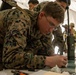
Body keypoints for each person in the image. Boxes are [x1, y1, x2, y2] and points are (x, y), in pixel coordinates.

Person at [0, 1, 67, 70]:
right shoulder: (21, 20)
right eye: (51, 24)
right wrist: (47, 61)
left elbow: (46, 52)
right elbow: (10, 58)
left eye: (55, 27)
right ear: (41, 15)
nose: (51, 30)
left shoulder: (44, 28)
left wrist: (55, 58)